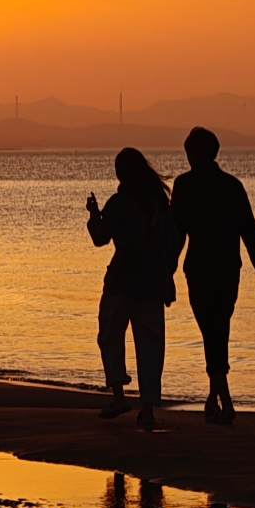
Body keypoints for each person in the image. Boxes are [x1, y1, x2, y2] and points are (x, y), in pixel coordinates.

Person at [170, 125, 255, 423]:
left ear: (195, 153)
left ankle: (224, 402)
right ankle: (214, 398)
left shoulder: (185, 185)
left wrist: (168, 269)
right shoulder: (231, 186)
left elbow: (176, 234)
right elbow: (250, 232)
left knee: (212, 332)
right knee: (218, 331)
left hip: (201, 270)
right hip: (229, 269)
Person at [85, 147, 177, 431]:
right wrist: (167, 277)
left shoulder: (118, 203)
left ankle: (119, 396)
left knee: (110, 337)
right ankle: (147, 410)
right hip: (151, 284)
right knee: (150, 347)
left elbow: (100, 239)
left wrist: (93, 215)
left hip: (121, 281)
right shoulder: (159, 204)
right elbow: (171, 244)